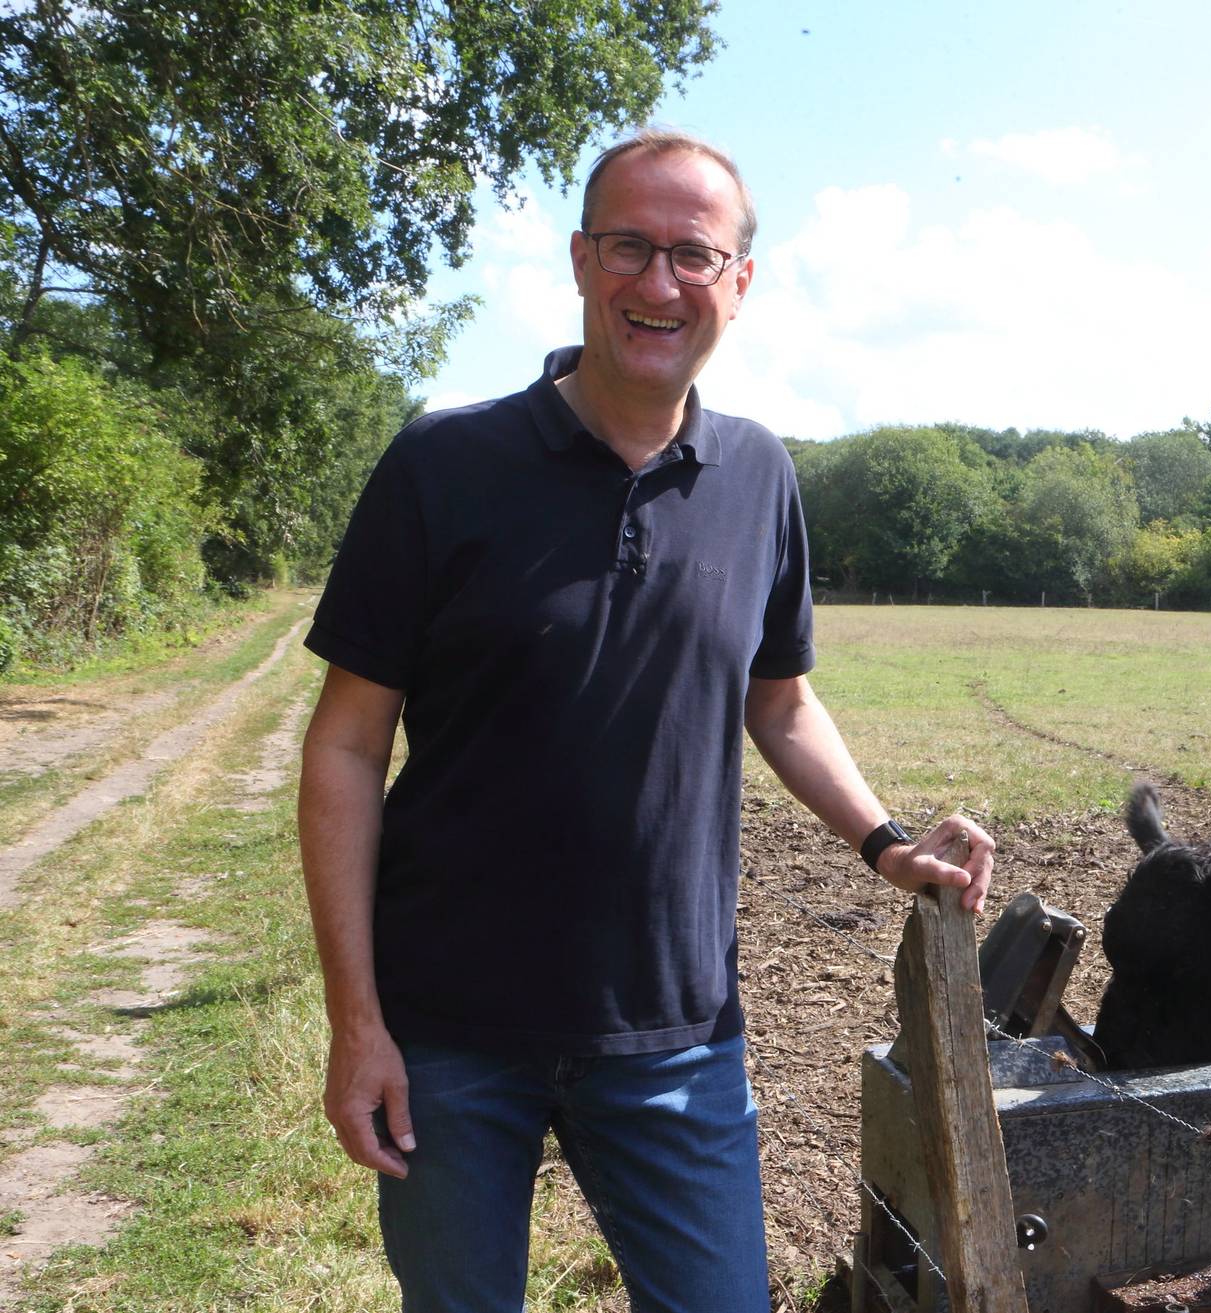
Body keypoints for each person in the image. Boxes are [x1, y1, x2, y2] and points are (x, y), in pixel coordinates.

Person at [297, 129, 995, 1313]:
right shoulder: (442, 463)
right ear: (579, 259)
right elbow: (347, 745)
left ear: (739, 282)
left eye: (691, 253)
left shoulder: (759, 475)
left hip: (677, 1030)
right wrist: (356, 1020)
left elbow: (780, 700)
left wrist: (885, 841)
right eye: (630, 247)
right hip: (448, 1037)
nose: (658, 283)